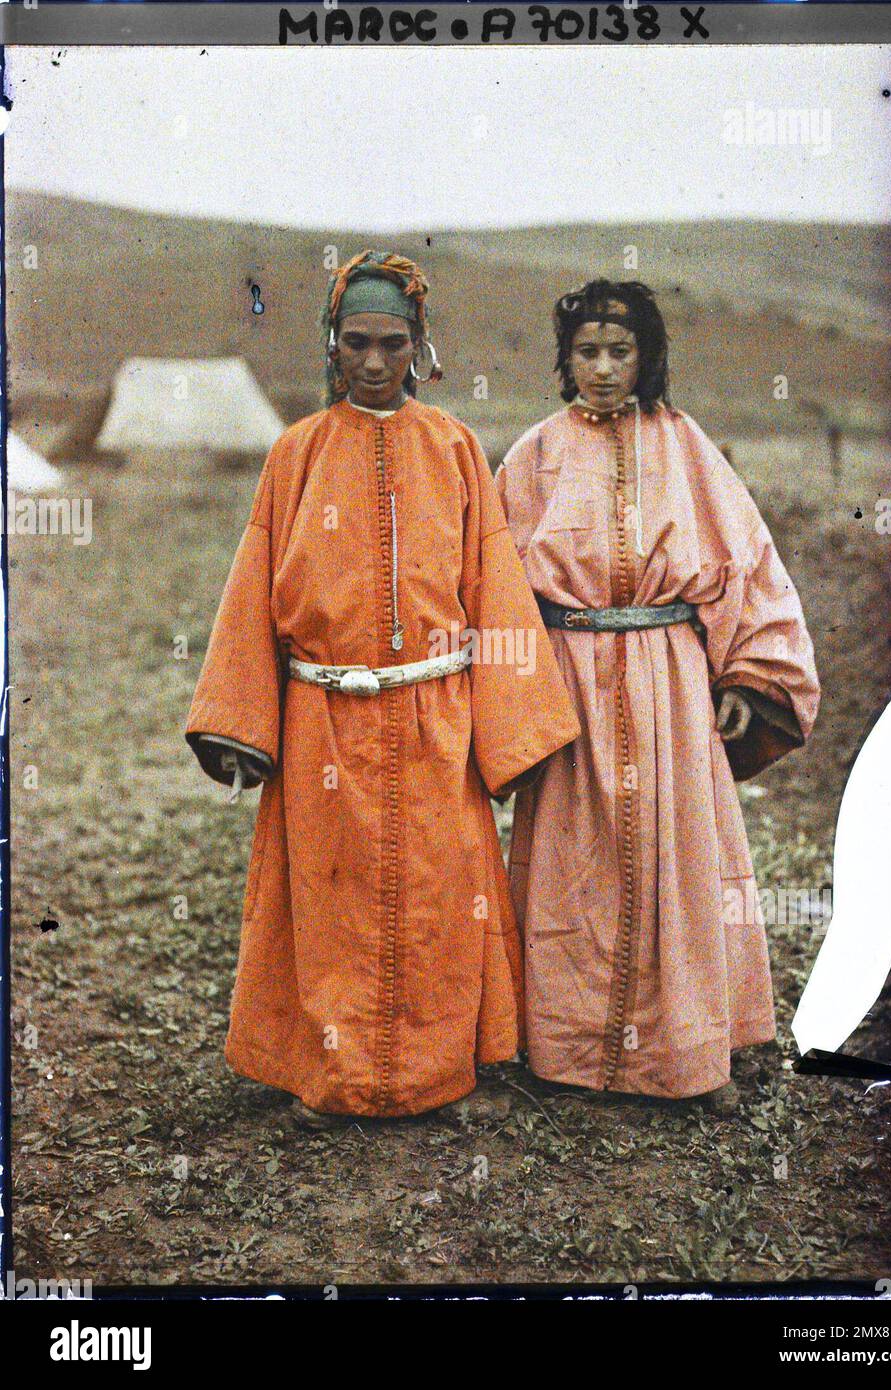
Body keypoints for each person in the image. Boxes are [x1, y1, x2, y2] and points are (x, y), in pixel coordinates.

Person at [185, 251, 580, 1120]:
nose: (373, 362)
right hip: (321, 722)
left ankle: (441, 1074)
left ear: (418, 347)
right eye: (356, 342)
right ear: (332, 343)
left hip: (435, 719)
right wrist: (238, 722)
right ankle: (333, 1076)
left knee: (442, 897)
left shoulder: (454, 449)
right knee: (328, 903)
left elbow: (494, 588)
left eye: (392, 344)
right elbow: (252, 590)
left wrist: (515, 730)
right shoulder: (295, 454)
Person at [495, 279, 820, 1104]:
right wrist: (515, 691)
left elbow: (748, 561)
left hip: (669, 679)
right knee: (572, 861)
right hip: (569, 679)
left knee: (677, 858)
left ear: (647, 357)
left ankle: (689, 1051)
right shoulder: (534, 455)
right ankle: (564, 1052)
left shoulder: (687, 448)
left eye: (621, 351)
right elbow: (495, 585)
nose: (604, 368)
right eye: (587, 352)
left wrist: (746, 673)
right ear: (566, 361)